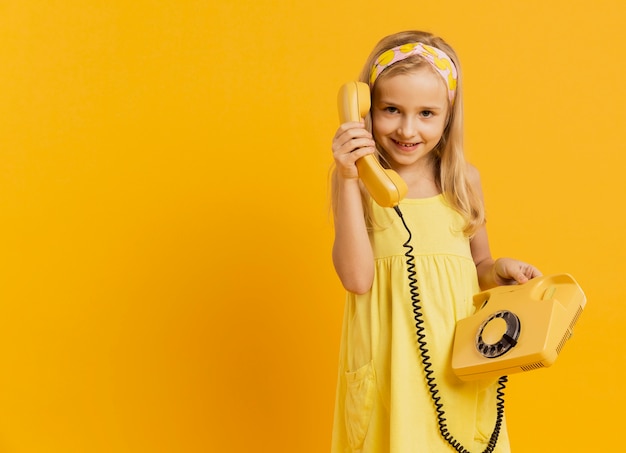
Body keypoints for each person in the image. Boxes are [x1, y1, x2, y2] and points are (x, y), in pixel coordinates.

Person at [330, 30, 541, 453]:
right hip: (391, 372)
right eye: (391, 110)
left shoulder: (463, 182)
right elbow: (355, 278)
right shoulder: (357, 183)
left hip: (456, 370)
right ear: (364, 111)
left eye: (426, 113)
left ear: (448, 116)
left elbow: (480, 264)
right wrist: (351, 177)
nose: (408, 129)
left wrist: (498, 270)